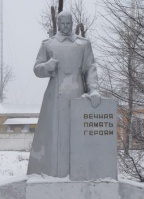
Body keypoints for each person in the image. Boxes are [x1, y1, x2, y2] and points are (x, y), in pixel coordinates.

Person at [27, 10, 101, 177]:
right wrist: (47, 67)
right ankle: (52, 171)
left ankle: (78, 171)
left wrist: (94, 89)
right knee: (54, 135)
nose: (66, 27)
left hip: (77, 92)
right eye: (63, 24)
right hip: (55, 95)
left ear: (72, 23)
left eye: (69, 23)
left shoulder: (83, 44)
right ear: (58, 24)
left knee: (76, 134)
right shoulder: (49, 44)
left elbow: (90, 68)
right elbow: (37, 68)